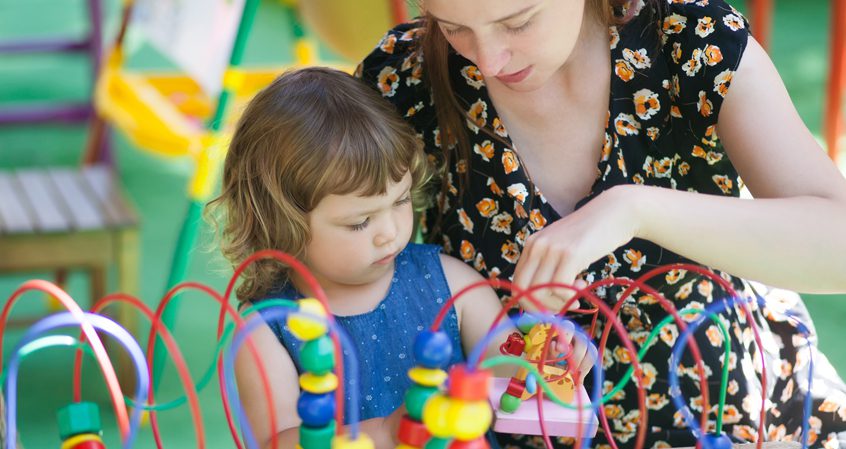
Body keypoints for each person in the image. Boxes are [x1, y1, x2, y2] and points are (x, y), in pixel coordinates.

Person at [357, 0, 846, 447]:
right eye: (453, 28)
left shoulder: (690, 44)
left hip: (727, 415)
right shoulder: (403, 81)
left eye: (519, 22)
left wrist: (634, 209)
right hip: (507, 429)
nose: (487, 61)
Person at [208, 67, 575, 449]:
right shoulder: (268, 326)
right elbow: (274, 440)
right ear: (282, 223)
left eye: (400, 201)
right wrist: (384, 432)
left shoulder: (452, 284)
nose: (390, 232)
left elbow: (508, 377)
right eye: (360, 222)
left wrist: (543, 359)